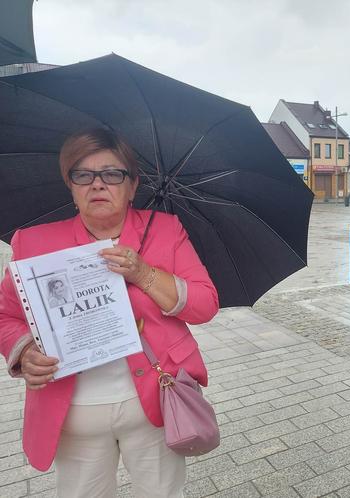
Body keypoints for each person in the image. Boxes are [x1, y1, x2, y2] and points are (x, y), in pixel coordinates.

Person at [0, 128, 219, 497]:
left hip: (154, 400)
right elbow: (5, 315)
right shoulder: (34, 242)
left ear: (132, 185)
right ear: (70, 185)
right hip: (73, 412)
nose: (97, 184)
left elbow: (204, 303)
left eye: (112, 174)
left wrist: (144, 273)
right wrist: (24, 351)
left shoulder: (164, 230)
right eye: (83, 174)